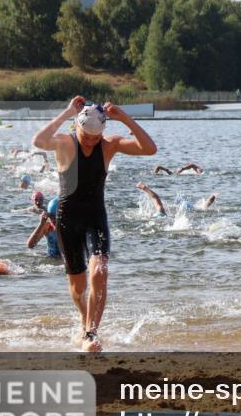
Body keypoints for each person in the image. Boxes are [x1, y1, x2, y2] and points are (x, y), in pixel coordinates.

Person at [32, 97, 157, 352]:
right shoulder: (66, 143)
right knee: (78, 288)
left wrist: (124, 118)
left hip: (95, 217)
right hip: (68, 220)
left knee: (99, 271)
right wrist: (67, 112)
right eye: (86, 136)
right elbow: (38, 141)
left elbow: (149, 149)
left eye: (95, 137)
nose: (90, 141)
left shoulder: (109, 145)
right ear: (77, 126)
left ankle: (91, 333)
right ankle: (84, 319)